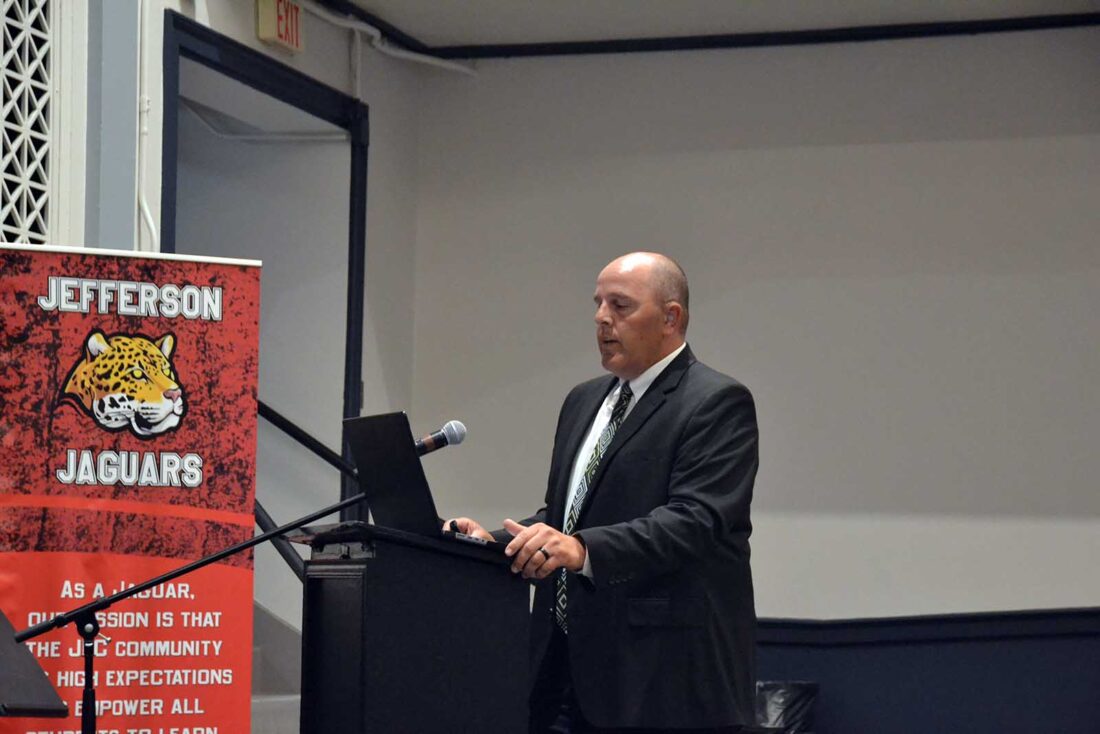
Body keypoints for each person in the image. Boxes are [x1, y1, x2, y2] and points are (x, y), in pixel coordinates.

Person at [450, 252, 758, 733]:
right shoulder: (583, 400)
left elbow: (695, 522)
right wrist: (493, 542)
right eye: (598, 304)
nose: (601, 318)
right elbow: (563, 518)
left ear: (671, 317)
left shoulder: (716, 402)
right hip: (561, 670)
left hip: (659, 681)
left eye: (620, 305)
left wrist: (582, 549)